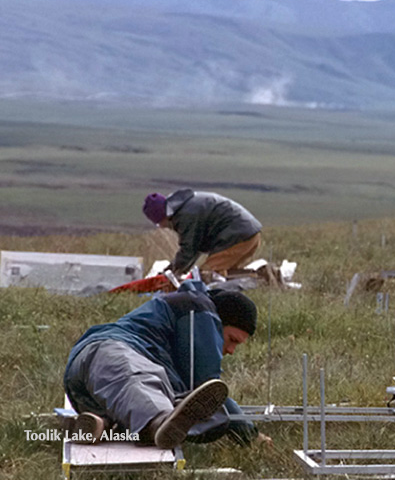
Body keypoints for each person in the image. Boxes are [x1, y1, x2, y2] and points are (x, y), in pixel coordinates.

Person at [64, 280, 266, 449]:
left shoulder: (170, 343)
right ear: (216, 322)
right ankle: (159, 421)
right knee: (140, 381)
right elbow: (206, 384)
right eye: (232, 340)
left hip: (93, 387)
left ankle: (100, 425)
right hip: (109, 354)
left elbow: (200, 397)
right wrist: (250, 435)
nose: (231, 350)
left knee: (177, 400)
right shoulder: (198, 308)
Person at [143, 189, 262, 276]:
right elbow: (195, 248)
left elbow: (189, 249)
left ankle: (264, 278)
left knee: (206, 274)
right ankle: (261, 276)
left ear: (164, 216)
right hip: (250, 234)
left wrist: (169, 273)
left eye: (159, 223)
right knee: (224, 274)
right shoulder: (184, 206)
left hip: (239, 237)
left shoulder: (187, 215)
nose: (162, 227)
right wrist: (174, 270)